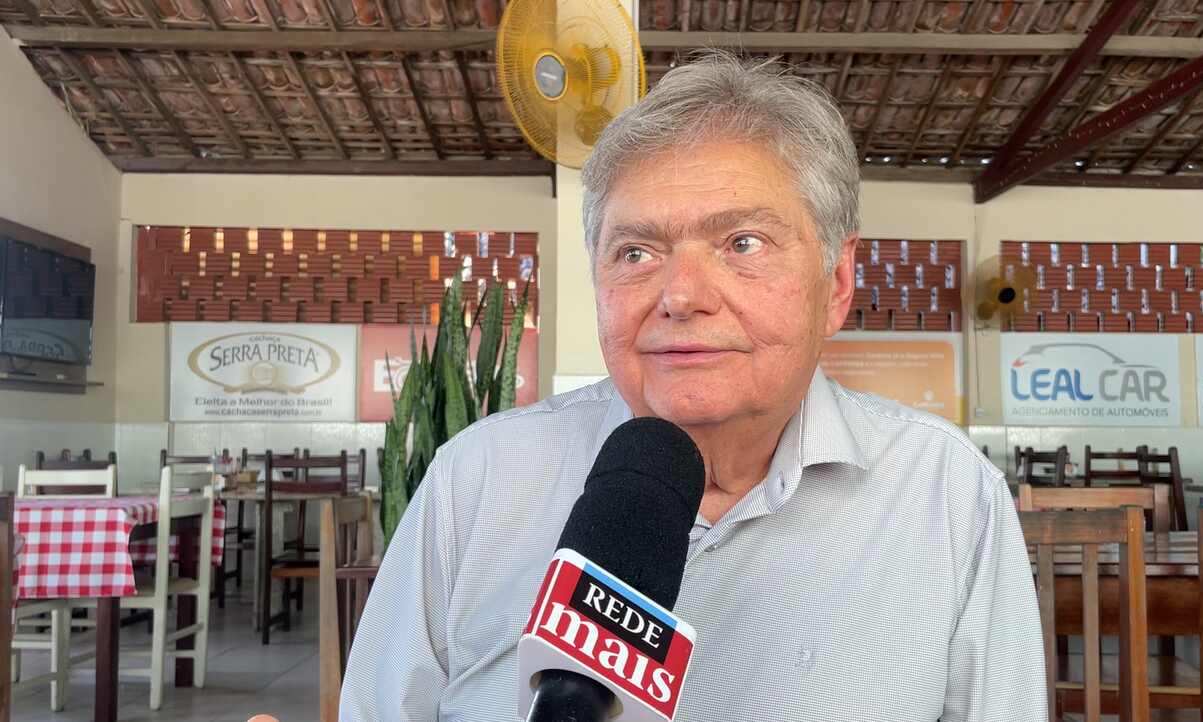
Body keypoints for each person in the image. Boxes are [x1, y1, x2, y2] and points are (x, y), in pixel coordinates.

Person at [341, 52, 1046, 721]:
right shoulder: (475, 479)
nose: (681, 296)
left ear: (836, 283)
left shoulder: (948, 493)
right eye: (636, 252)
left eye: (742, 243)